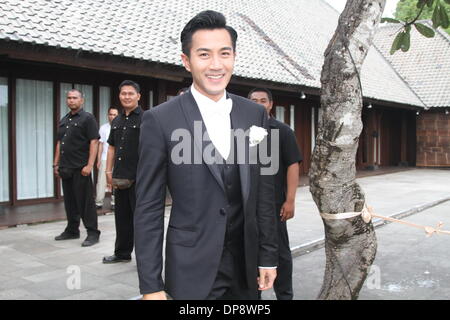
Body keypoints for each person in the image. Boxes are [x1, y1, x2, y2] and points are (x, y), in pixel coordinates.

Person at [134, 10, 278, 300]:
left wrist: (268, 255)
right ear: (186, 61)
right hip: (191, 268)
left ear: (234, 57)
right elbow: (148, 207)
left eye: (224, 54)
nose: (216, 65)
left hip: (245, 268)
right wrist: (151, 285)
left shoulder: (255, 114)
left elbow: (264, 191)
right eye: (204, 55)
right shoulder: (160, 120)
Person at [248, 88, 303, 300]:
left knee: (279, 253)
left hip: (273, 203)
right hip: (246, 205)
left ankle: (285, 295)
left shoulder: (283, 131)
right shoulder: (240, 130)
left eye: (263, 100)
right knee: (249, 253)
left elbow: (292, 166)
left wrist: (290, 200)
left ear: (271, 104)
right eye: (254, 101)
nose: (259, 104)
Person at [53, 89, 101, 247]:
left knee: (85, 202)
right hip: (65, 167)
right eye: (69, 98)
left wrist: (90, 165)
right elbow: (60, 143)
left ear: (82, 100)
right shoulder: (64, 119)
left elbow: (94, 142)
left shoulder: (88, 119)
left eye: (75, 98)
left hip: (81, 168)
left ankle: (93, 233)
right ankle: (72, 230)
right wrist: (56, 163)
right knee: (70, 201)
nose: (71, 100)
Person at [103, 80, 143, 264]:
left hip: (139, 179)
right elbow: (111, 147)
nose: (126, 97)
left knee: (141, 221)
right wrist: (107, 171)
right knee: (122, 218)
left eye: (130, 93)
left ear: (138, 96)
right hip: (120, 177)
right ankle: (122, 253)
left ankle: (145, 259)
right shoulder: (117, 120)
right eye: (123, 93)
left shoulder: (146, 118)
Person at [95, 107, 119, 210]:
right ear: (107, 115)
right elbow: (100, 144)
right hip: (105, 158)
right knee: (101, 180)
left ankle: (115, 202)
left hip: (117, 159)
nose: (112, 116)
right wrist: (98, 159)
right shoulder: (103, 128)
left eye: (114, 114)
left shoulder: (120, 127)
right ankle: (98, 202)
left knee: (116, 181)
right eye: (110, 114)